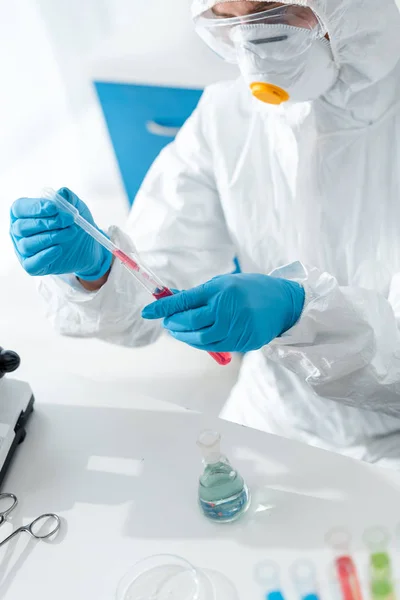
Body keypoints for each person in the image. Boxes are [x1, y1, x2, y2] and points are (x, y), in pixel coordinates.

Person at [9, 0, 400, 467]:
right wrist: (98, 269)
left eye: (270, 13)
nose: (252, 43)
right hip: (272, 413)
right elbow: (152, 293)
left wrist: (303, 316)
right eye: (228, 18)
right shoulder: (228, 114)